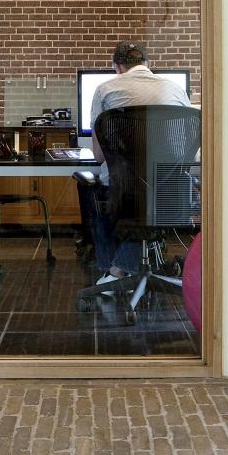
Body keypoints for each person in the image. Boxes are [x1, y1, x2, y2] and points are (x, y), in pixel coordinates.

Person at [78, 41, 191, 288]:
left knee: (90, 186)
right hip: (171, 193)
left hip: (124, 193)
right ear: (148, 65)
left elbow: (98, 156)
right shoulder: (175, 89)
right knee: (148, 205)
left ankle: (114, 270)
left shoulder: (105, 90)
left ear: (117, 67)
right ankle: (123, 267)